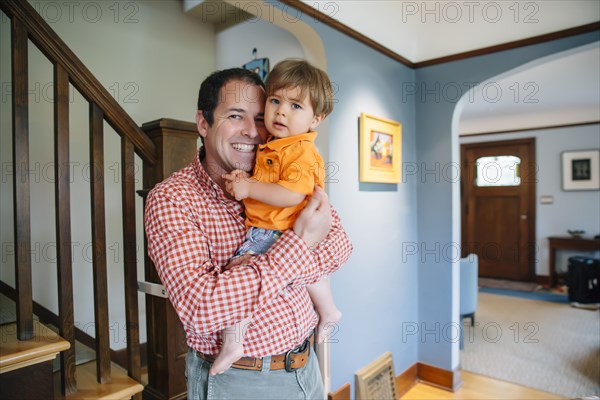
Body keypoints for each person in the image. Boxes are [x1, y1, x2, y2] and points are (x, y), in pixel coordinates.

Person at [144, 67, 353, 400]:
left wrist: (258, 278)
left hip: (306, 367)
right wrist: (298, 247)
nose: (253, 131)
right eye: (235, 116)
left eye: (259, 118)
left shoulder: (276, 170)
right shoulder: (173, 199)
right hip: (240, 382)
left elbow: (340, 245)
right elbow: (203, 308)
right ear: (203, 123)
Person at [212, 59, 342, 375]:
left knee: (239, 271)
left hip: (275, 231)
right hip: (277, 227)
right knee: (310, 271)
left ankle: (234, 340)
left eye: (295, 105)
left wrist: (249, 188)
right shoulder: (274, 145)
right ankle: (330, 311)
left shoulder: (299, 151)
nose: (281, 111)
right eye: (275, 101)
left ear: (317, 119)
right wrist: (240, 185)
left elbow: (292, 195)